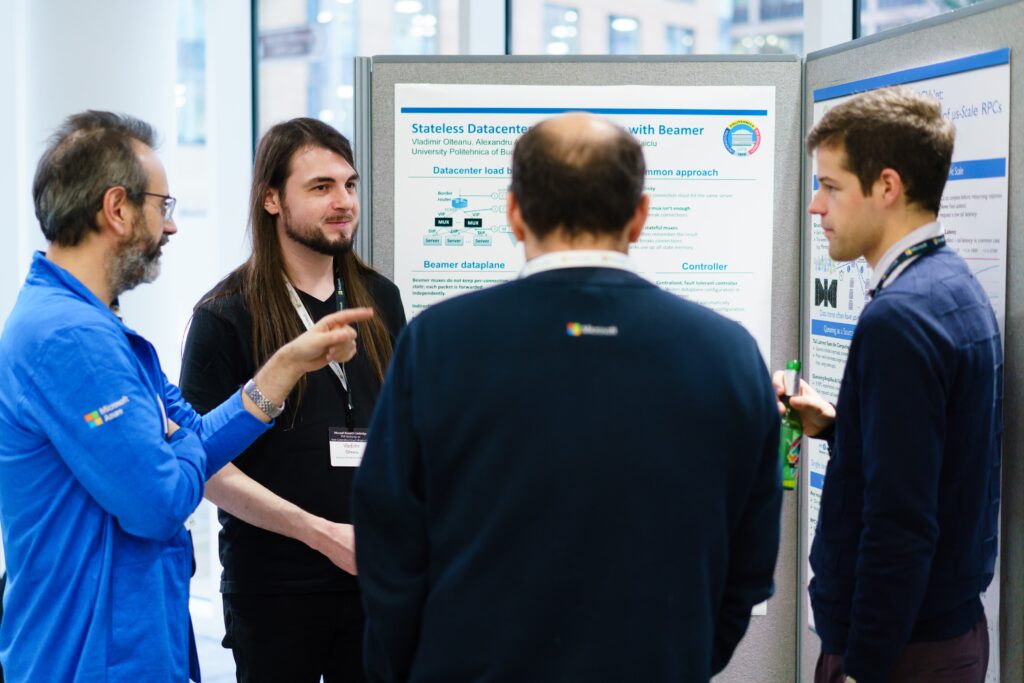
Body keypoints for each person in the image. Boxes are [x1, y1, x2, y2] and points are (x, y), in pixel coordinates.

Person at [352, 113, 782, 682]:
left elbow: (388, 543)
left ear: (514, 213)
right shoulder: (728, 353)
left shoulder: (438, 342)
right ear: (640, 216)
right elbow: (749, 564)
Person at [0, 111, 371, 682]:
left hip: (134, 641)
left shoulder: (103, 332)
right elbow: (161, 503)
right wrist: (177, 455)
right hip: (92, 655)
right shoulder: (69, 339)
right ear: (117, 209)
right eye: (162, 206)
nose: (170, 228)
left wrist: (284, 368)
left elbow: (192, 435)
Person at [779, 87, 1002, 683]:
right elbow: (937, 462)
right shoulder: (953, 286)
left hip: (899, 653)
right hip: (941, 634)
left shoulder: (900, 318)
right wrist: (842, 428)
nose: (815, 207)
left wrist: (862, 668)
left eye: (830, 186)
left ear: (886, 186)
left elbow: (899, 524)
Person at [179, 118, 405, 682]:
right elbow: (204, 467)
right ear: (272, 199)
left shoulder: (381, 298)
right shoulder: (225, 315)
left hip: (376, 582)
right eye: (321, 187)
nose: (344, 202)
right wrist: (321, 534)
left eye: (349, 185)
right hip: (274, 591)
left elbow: (406, 433)